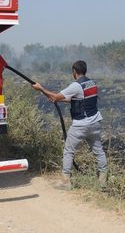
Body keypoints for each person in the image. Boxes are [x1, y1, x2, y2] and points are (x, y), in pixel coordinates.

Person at [32, 60, 108, 190]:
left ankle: (66, 182)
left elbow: (56, 97)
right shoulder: (91, 83)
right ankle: (103, 182)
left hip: (81, 125)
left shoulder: (76, 85)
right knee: (99, 151)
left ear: (74, 71)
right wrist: (56, 98)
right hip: (95, 123)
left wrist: (41, 89)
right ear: (85, 70)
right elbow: (77, 100)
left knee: (68, 151)